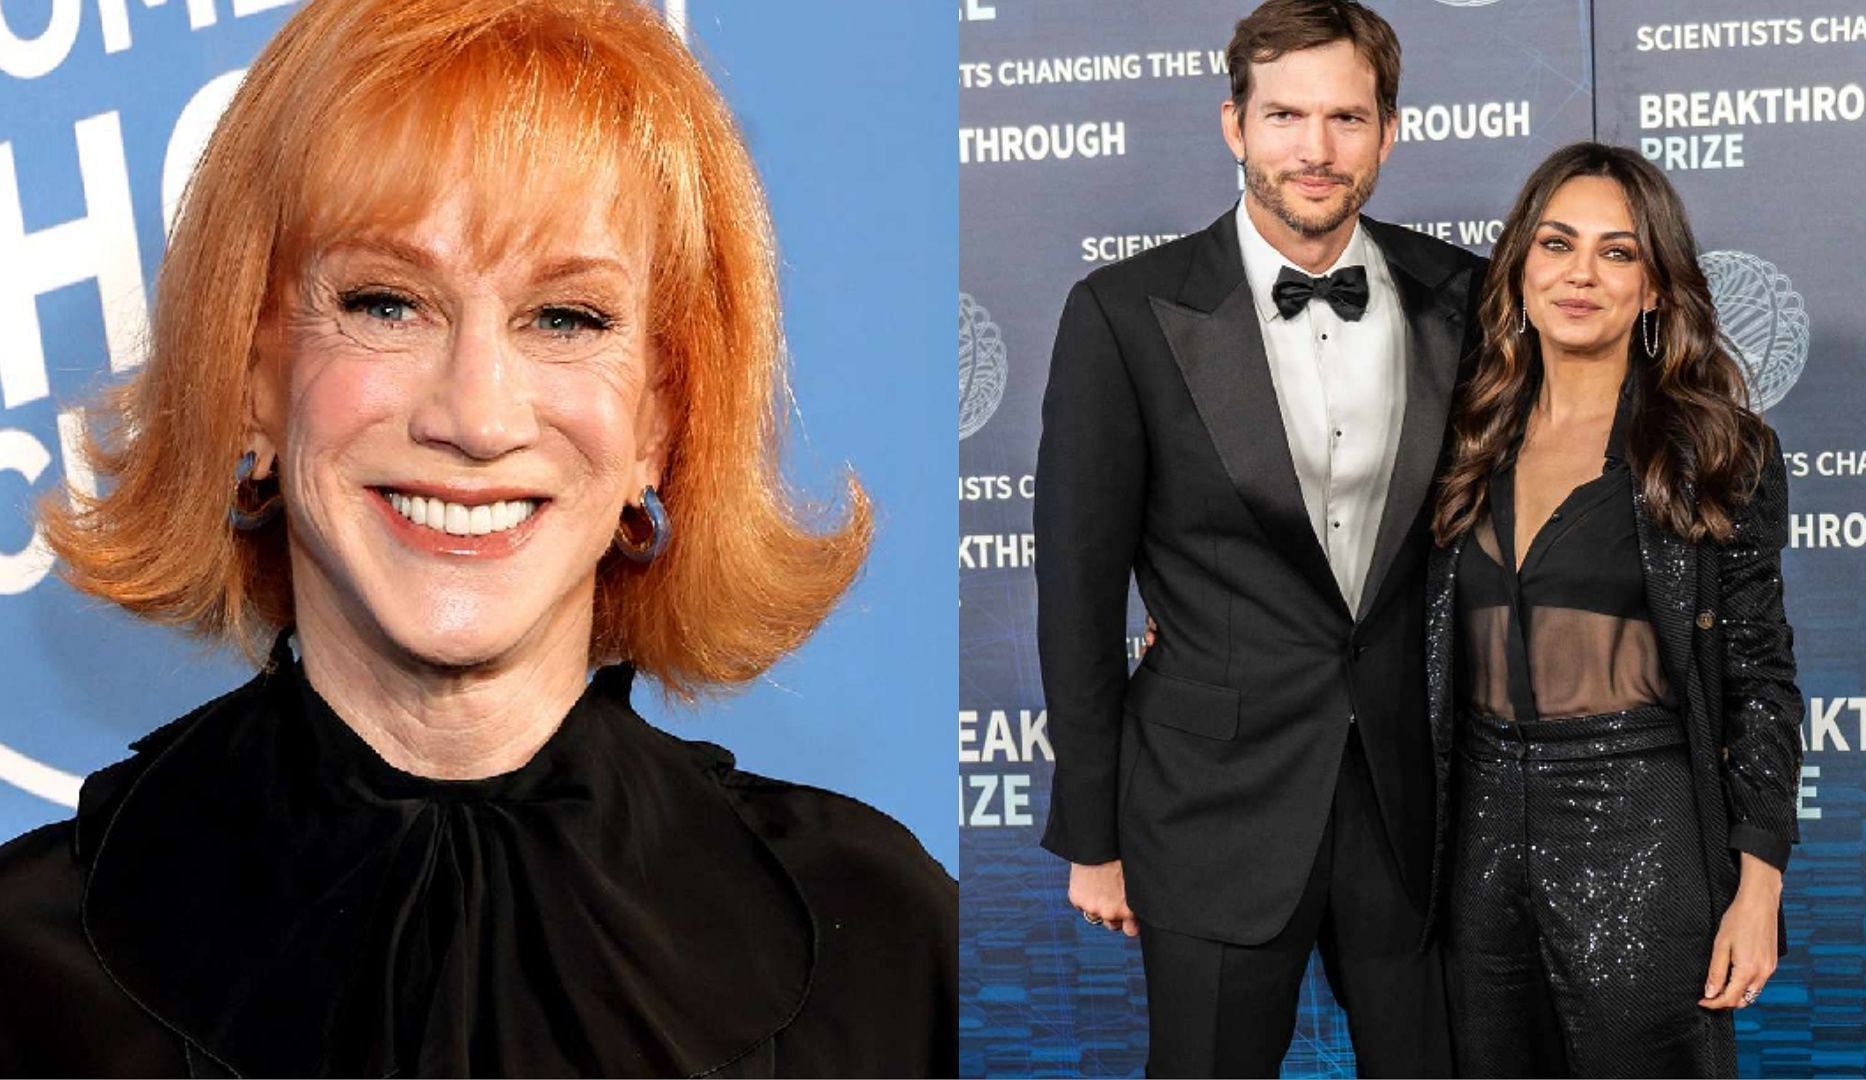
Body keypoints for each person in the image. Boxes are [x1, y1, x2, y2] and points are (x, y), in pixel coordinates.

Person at [0, 0, 956, 1075]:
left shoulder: (887, 950)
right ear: (252, 376)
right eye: (386, 303)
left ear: (661, 417)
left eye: (566, 319)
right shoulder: (20, 980)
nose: (477, 415)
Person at [1033, 0, 1484, 1073]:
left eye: (1346, 118)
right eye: (1285, 116)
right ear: (1234, 125)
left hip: (1415, 808)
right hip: (1207, 805)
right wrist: (1091, 833)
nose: (1315, 150)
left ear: (1389, 132)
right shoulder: (1125, 312)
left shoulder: (1463, 299)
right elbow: (1079, 600)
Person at [1426, 142, 1801, 1077]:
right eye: (1556, 244)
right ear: (1517, 270)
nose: (1580, 273)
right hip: (1472, 827)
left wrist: (1757, 886)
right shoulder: (1456, 435)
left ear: (1657, 289)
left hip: (1640, 817)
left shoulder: (1718, 451)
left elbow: (1761, 677)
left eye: (1618, 251)